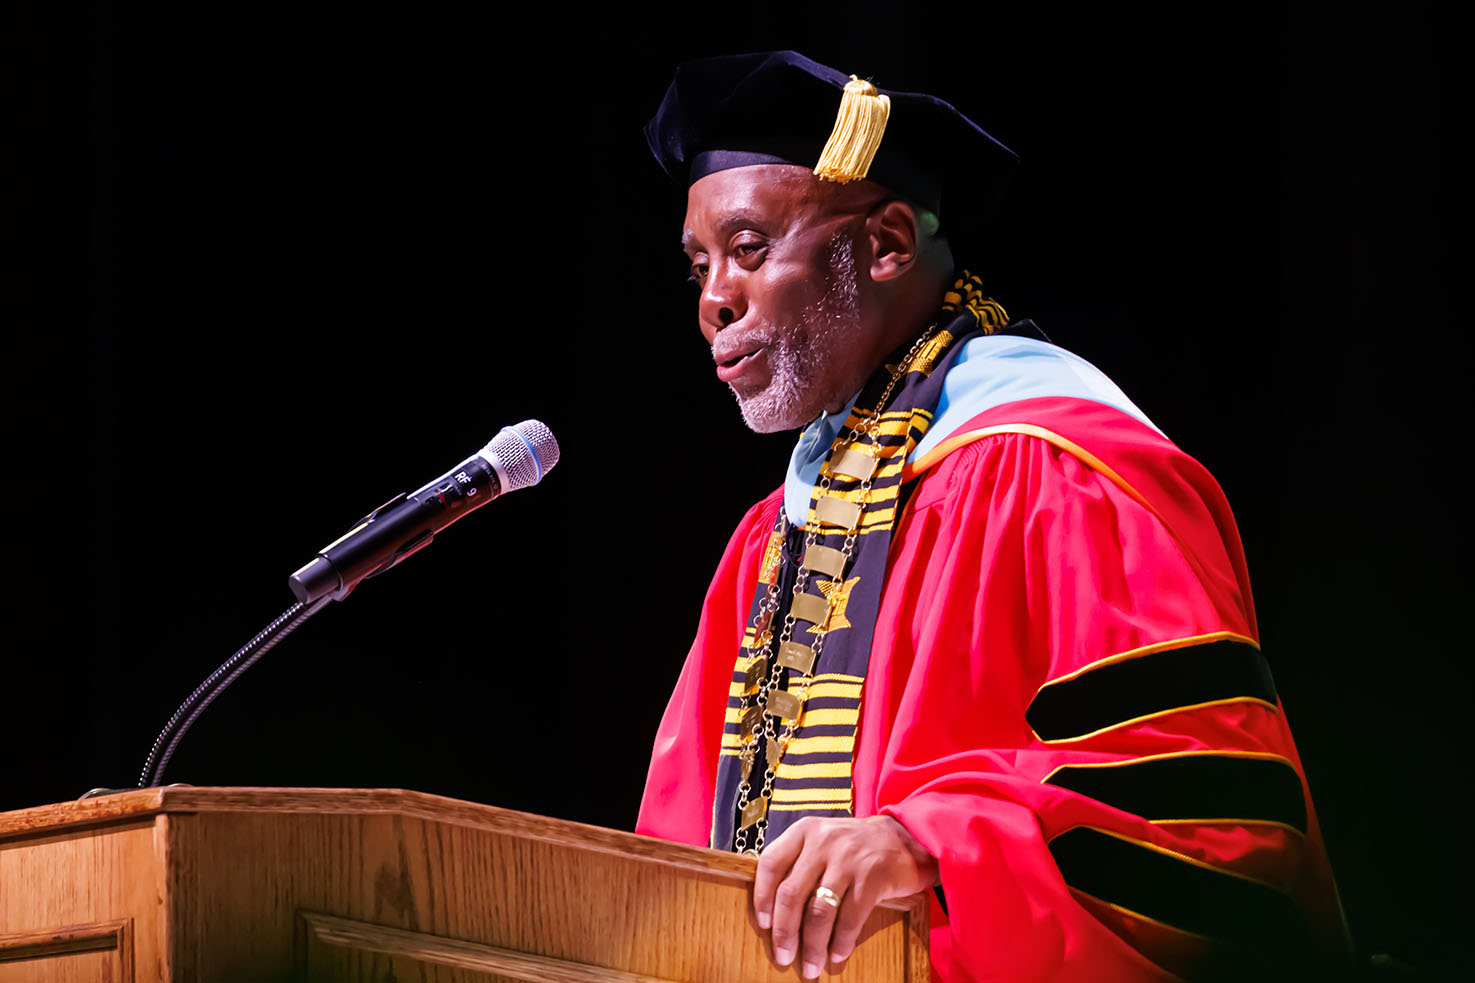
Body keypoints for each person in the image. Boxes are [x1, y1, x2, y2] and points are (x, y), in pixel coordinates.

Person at [635, 51, 1348, 981]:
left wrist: (930, 843)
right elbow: (672, 852)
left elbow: (1214, 828)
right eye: (698, 266)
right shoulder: (771, 539)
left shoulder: (1066, 473)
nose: (713, 299)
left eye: (750, 248)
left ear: (887, 243)